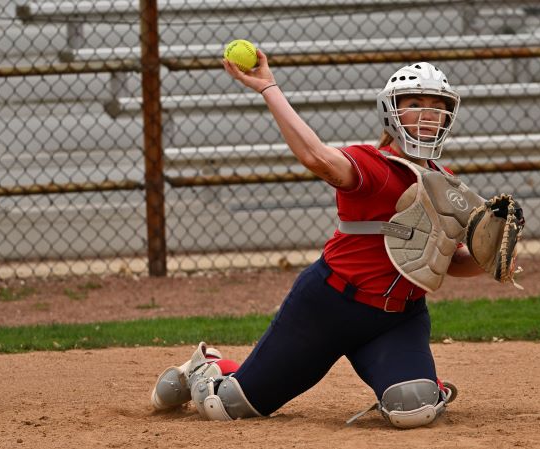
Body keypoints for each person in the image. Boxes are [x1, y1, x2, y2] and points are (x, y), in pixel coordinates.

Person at [150, 50, 488, 429]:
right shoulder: (370, 164)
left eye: (436, 106)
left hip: (397, 320)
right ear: (391, 112)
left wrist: (492, 256)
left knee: (414, 408)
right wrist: (269, 88)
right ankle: (207, 367)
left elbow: (452, 262)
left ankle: (420, 385)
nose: (427, 114)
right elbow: (315, 157)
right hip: (327, 308)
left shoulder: (445, 181)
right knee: (228, 406)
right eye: (414, 104)